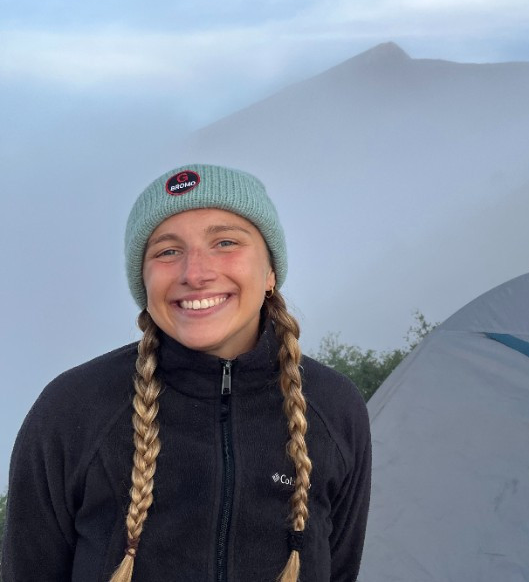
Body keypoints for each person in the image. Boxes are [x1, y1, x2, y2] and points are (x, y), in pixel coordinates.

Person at [2, 164, 372, 582]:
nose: (195, 274)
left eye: (226, 242)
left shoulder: (334, 408)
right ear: (143, 280)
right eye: (167, 251)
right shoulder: (72, 409)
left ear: (270, 272)